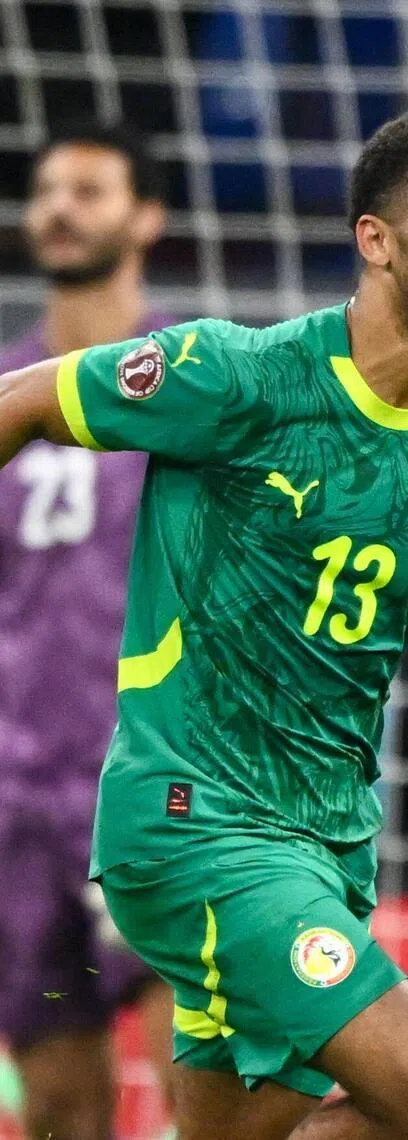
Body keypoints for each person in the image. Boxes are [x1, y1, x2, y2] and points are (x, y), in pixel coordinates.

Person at [0, 107, 408, 1140]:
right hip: (194, 821)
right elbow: (23, 399)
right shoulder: (236, 377)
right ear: (376, 238)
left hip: (329, 839)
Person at [0, 119, 175, 1140]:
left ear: (145, 217)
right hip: (19, 803)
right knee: (63, 1112)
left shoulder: (188, 390)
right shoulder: (6, 390)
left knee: (214, 1094)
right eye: (48, 191)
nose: (61, 209)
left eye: (91, 190)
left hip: (155, 789)